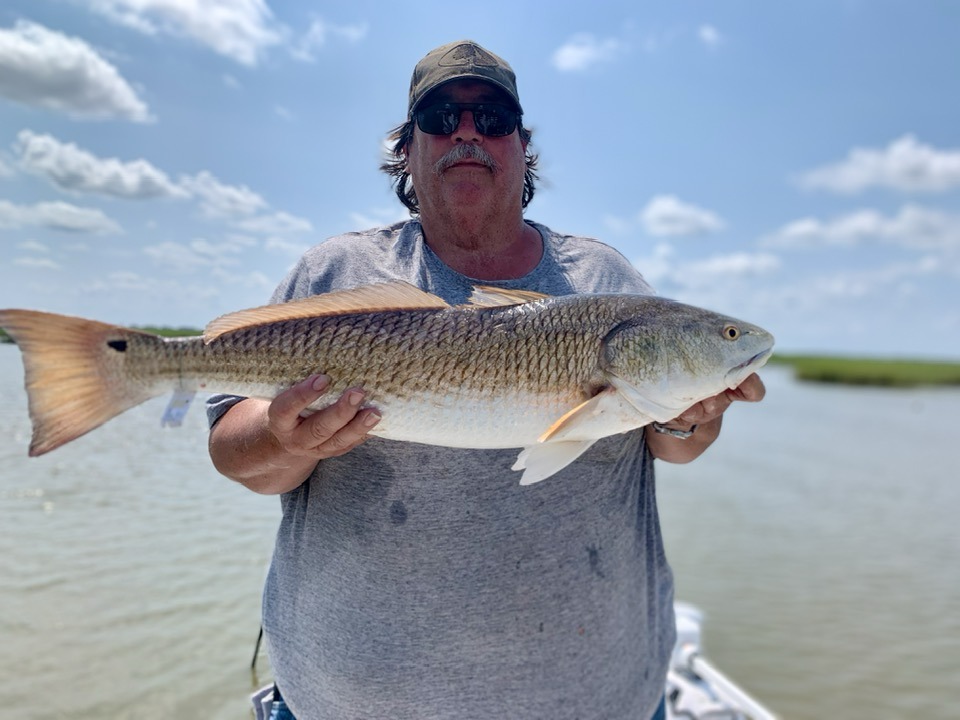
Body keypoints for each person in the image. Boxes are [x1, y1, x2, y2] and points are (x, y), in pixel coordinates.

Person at [208, 40, 765, 720]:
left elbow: (672, 444)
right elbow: (239, 457)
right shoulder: (336, 274)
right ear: (406, 150)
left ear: (523, 149)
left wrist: (690, 414)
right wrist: (280, 437)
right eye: (442, 117)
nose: (467, 132)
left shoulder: (605, 282)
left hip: (602, 698)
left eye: (494, 120)